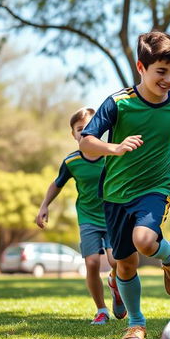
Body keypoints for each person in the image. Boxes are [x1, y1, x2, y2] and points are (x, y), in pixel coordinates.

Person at [79, 30, 170, 339]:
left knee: (145, 240)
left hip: (156, 188)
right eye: (161, 71)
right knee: (125, 263)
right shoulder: (119, 104)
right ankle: (136, 321)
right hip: (115, 193)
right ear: (141, 68)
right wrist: (115, 148)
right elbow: (87, 143)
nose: (168, 79)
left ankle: (166, 258)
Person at [36, 107, 124, 325]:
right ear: (73, 134)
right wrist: (44, 205)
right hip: (88, 218)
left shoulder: (110, 156)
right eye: (80, 129)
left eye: (89, 128)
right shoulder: (71, 161)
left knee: (116, 261)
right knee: (92, 263)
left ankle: (115, 284)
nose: (85, 132)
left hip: (112, 216)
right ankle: (101, 310)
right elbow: (57, 184)